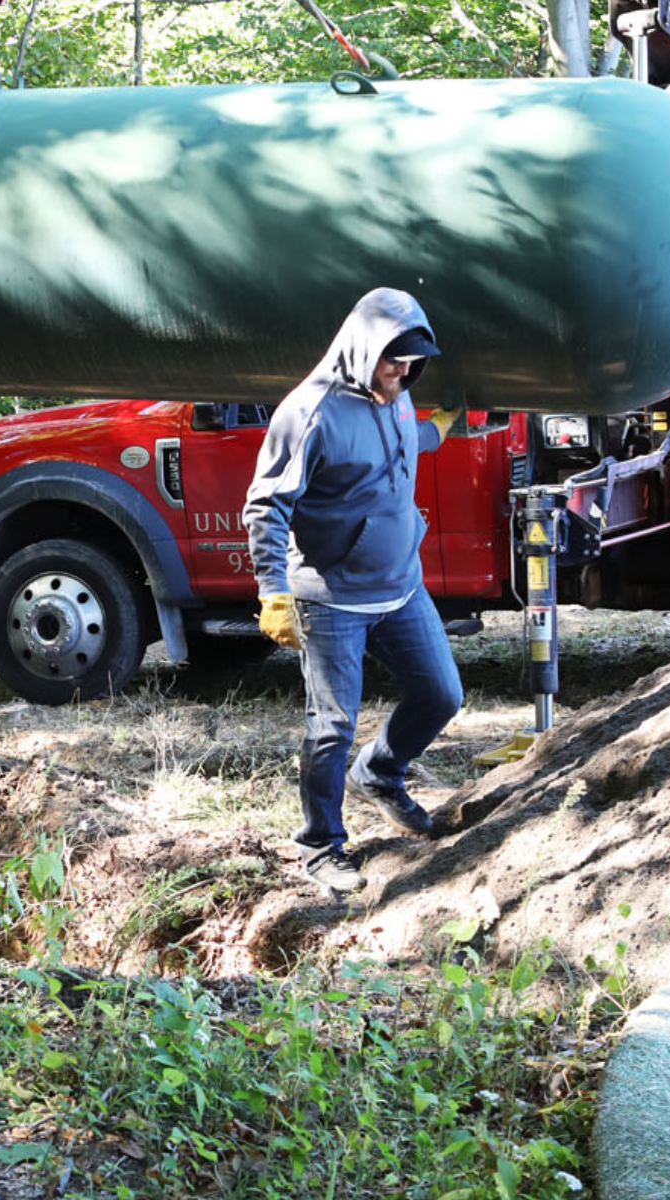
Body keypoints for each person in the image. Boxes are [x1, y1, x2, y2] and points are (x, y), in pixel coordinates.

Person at [242, 288, 464, 895]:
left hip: (399, 588)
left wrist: (438, 430)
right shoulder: (309, 412)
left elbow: (394, 449)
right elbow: (265, 506)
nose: (403, 373)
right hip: (331, 595)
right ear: (363, 349)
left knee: (441, 693)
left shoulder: (397, 395)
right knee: (332, 725)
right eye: (393, 361)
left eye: (413, 364)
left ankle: (381, 774)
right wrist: (273, 590)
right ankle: (320, 847)